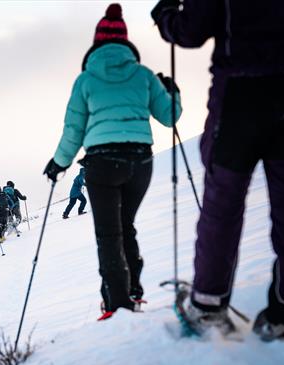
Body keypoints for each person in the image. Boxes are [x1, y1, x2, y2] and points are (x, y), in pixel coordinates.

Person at [152, 0, 284, 340]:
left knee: (223, 201)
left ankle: (208, 304)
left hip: (238, 94)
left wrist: (165, 15)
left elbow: (190, 30)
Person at [43, 3, 182, 320]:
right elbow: (170, 116)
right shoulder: (144, 76)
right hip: (139, 161)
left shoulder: (86, 80)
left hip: (102, 162)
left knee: (108, 233)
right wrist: (172, 91)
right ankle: (133, 290)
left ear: (97, 43)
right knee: (126, 225)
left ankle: (117, 302)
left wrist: (58, 163)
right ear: (125, 42)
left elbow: (74, 130)